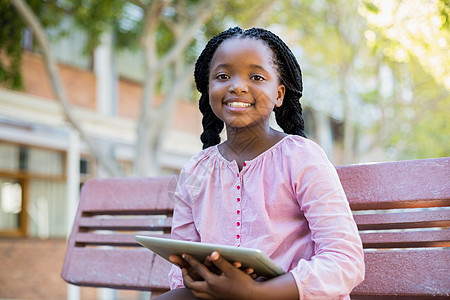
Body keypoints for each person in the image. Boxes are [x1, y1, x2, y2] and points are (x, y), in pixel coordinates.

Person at [156, 27, 364, 300]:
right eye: (222, 76)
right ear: (208, 90)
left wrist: (256, 293)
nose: (237, 86)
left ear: (278, 95)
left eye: (256, 76)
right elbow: (181, 261)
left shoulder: (301, 157)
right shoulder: (195, 170)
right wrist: (195, 275)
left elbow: (345, 260)